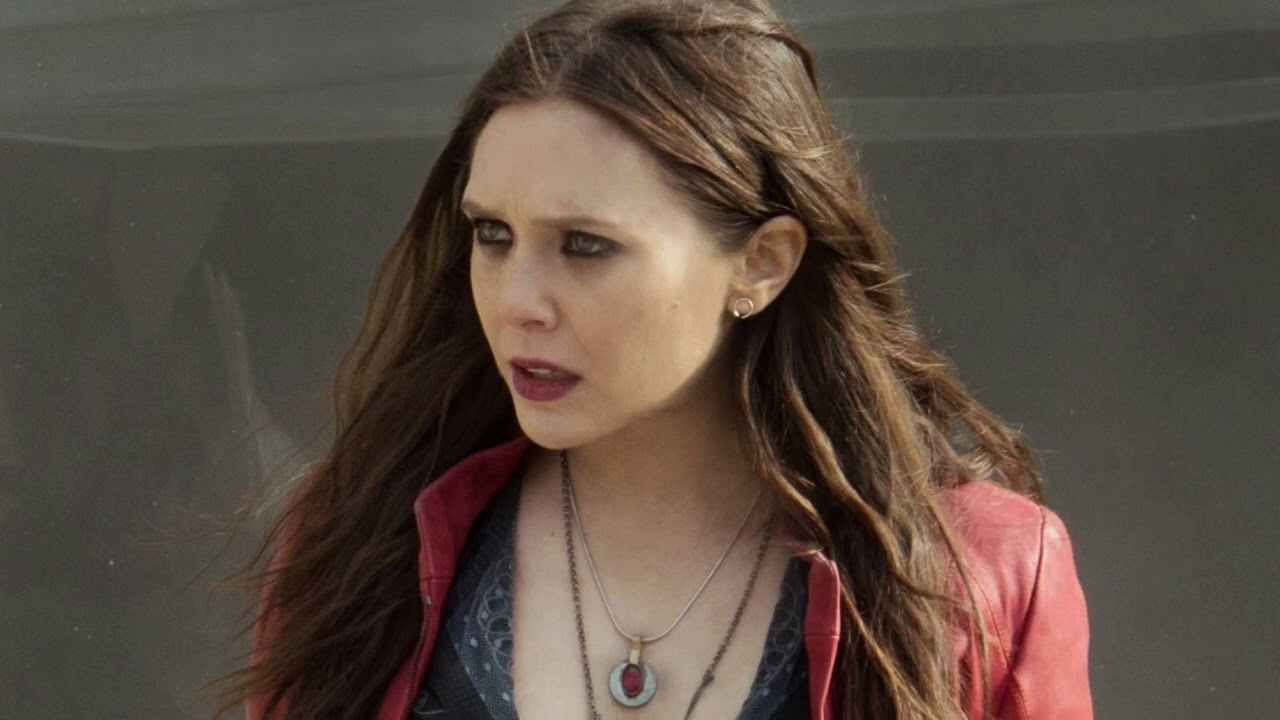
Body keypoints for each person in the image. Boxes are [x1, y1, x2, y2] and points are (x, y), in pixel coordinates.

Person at [216, 0, 1092, 718]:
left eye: (585, 245)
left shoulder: (978, 582)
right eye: (493, 234)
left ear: (761, 264)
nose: (517, 301)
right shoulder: (361, 541)